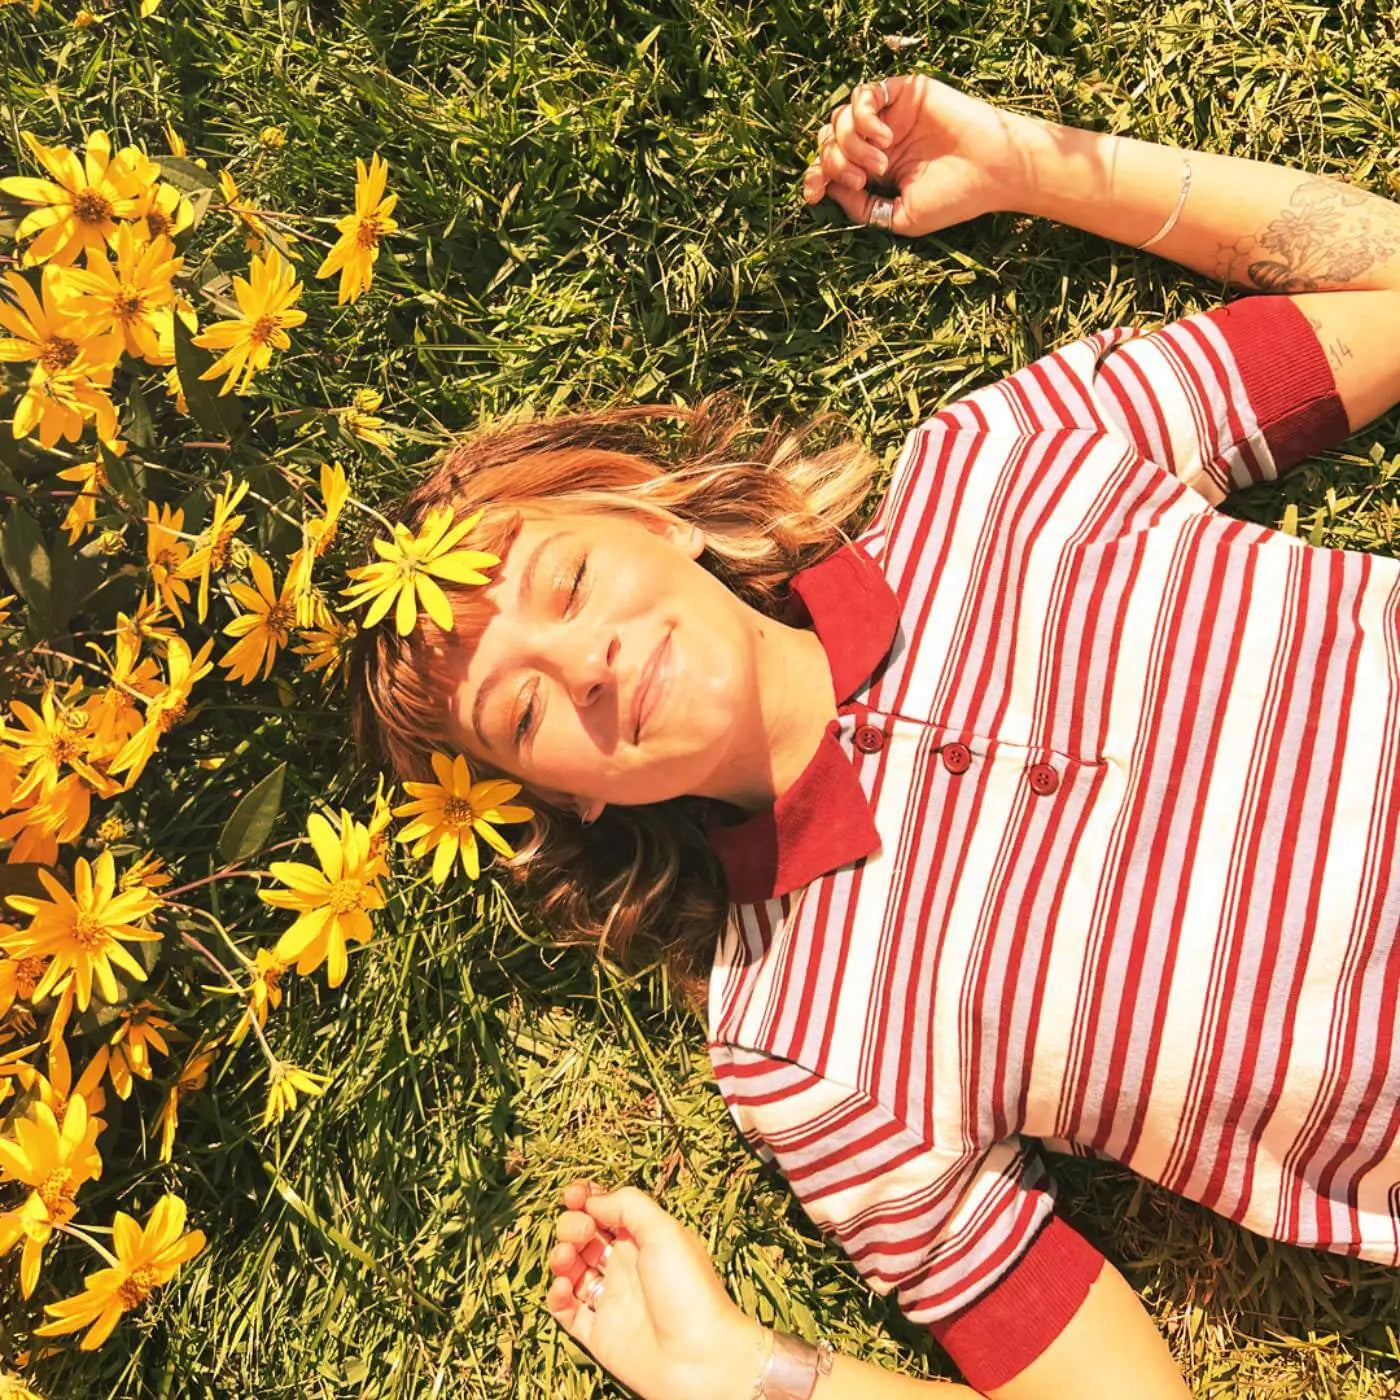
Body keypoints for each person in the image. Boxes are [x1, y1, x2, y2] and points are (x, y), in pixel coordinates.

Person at [349, 72, 1400, 1399]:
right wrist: (732, 1376)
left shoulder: (1010, 455)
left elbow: (1388, 293)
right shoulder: (797, 1043)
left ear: (651, 513)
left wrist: (1025, 164)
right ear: (564, 798)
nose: (591, 662)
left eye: (566, 584)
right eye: (523, 709)